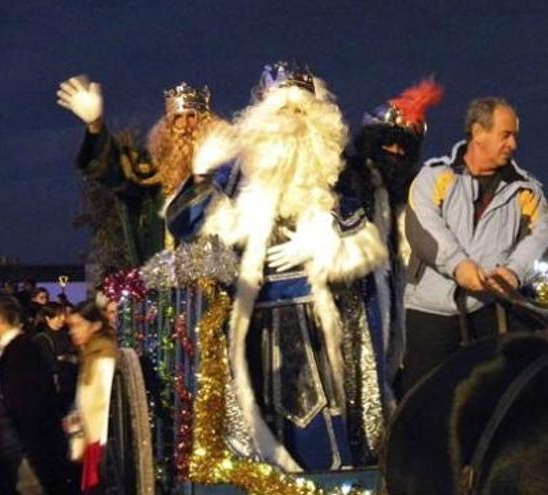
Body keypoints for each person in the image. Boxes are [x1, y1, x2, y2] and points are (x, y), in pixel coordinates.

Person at [165, 61, 387, 472]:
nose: (291, 123)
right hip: (256, 319)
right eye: (282, 113)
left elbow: (364, 241)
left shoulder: (331, 172)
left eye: (300, 112)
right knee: (260, 421)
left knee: (326, 416)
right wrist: (198, 176)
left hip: (317, 318)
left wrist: (321, 246)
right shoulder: (239, 174)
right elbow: (187, 224)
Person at [400, 97, 548, 394]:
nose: (513, 144)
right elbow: (421, 226)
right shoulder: (434, 176)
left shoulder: (527, 191)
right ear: (478, 132)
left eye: (515, 136)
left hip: (486, 309)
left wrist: (513, 273)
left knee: (488, 397)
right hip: (428, 313)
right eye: (506, 134)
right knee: (422, 398)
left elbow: (543, 233)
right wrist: (458, 265)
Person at [335, 79, 444, 457]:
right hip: (354, 293)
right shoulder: (348, 180)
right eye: (389, 143)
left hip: (395, 291)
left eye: (403, 147)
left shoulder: (408, 191)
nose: (395, 151)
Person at [57, 75, 223, 264]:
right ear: (168, 127)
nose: (185, 126)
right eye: (177, 118)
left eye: (192, 117)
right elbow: (115, 169)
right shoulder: (149, 171)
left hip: (223, 284)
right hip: (161, 286)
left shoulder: (228, 171)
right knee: (157, 295)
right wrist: (95, 126)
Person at [0, 297, 77, 494]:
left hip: (23, 442)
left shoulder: (20, 349)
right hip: (13, 439)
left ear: (0, 318)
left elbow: (28, 402)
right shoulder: (8, 348)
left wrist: (27, 445)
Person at [65, 301, 117, 494]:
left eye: (78, 325)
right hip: (93, 442)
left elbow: (106, 402)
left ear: (95, 326)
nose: (73, 331)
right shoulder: (89, 353)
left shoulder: (103, 354)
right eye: (71, 326)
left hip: (101, 445)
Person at [33, 303, 78, 414]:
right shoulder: (42, 338)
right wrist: (66, 358)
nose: (62, 318)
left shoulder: (67, 334)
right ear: (48, 318)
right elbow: (50, 364)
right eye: (58, 316)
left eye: (63, 315)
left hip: (72, 383)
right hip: (57, 388)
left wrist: (64, 358)